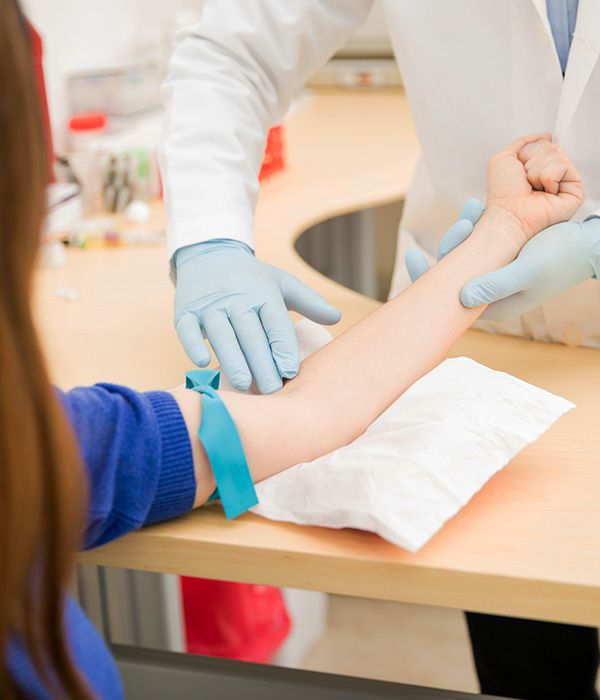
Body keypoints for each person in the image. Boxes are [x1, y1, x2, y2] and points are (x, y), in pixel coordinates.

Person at [1, 2, 585, 697]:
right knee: (528, 637)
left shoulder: (70, 441)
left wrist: (514, 229)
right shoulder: (65, 445)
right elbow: (230, 51)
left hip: (490, 285)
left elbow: (304, 415)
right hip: (496, 334)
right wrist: (211, 238)